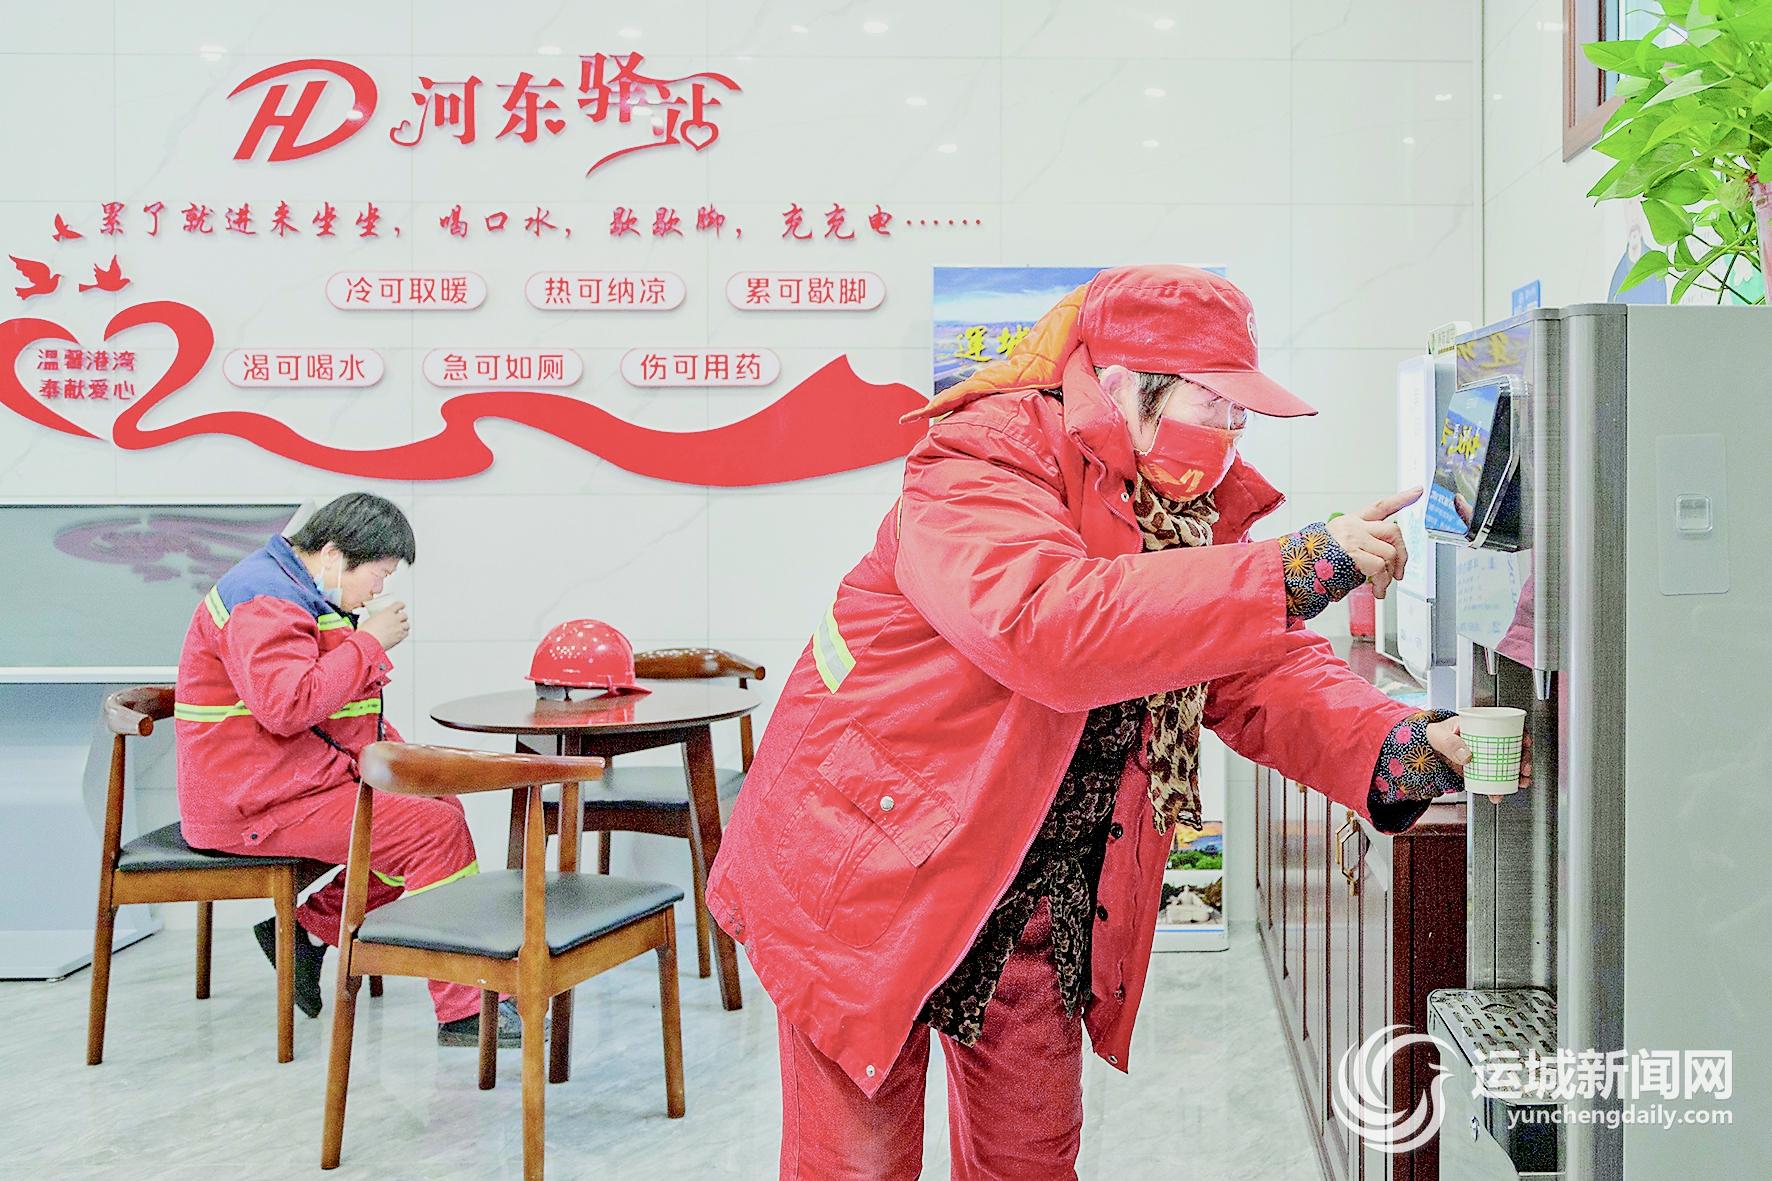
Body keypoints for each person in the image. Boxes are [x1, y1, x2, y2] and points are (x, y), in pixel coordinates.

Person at [706, 266, 1531, 1179]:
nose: (1231, 431)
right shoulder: (979, 462)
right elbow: (1048, 624)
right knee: (857, 1164)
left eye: (1241, 412)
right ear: (1130, 386)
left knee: (1031, 1159)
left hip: (1038, 896)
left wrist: (1402, 744)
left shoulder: (1185, 513)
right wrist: (1289, 571)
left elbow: (1252, 667)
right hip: (868, 868)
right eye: (1215, 404)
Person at [174, 492, 518, 1047]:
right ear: (334, 554)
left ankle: (308, 931)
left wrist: (411, 770)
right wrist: (369, 642)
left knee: (436, 810)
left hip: (290, 782)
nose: (378, 590)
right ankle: (466, 1012)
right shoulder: (264, 602)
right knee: (433, 833)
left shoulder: (297, 591)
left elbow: (340, 714)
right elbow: (288, 706)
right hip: (254, 803)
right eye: (378, 574)